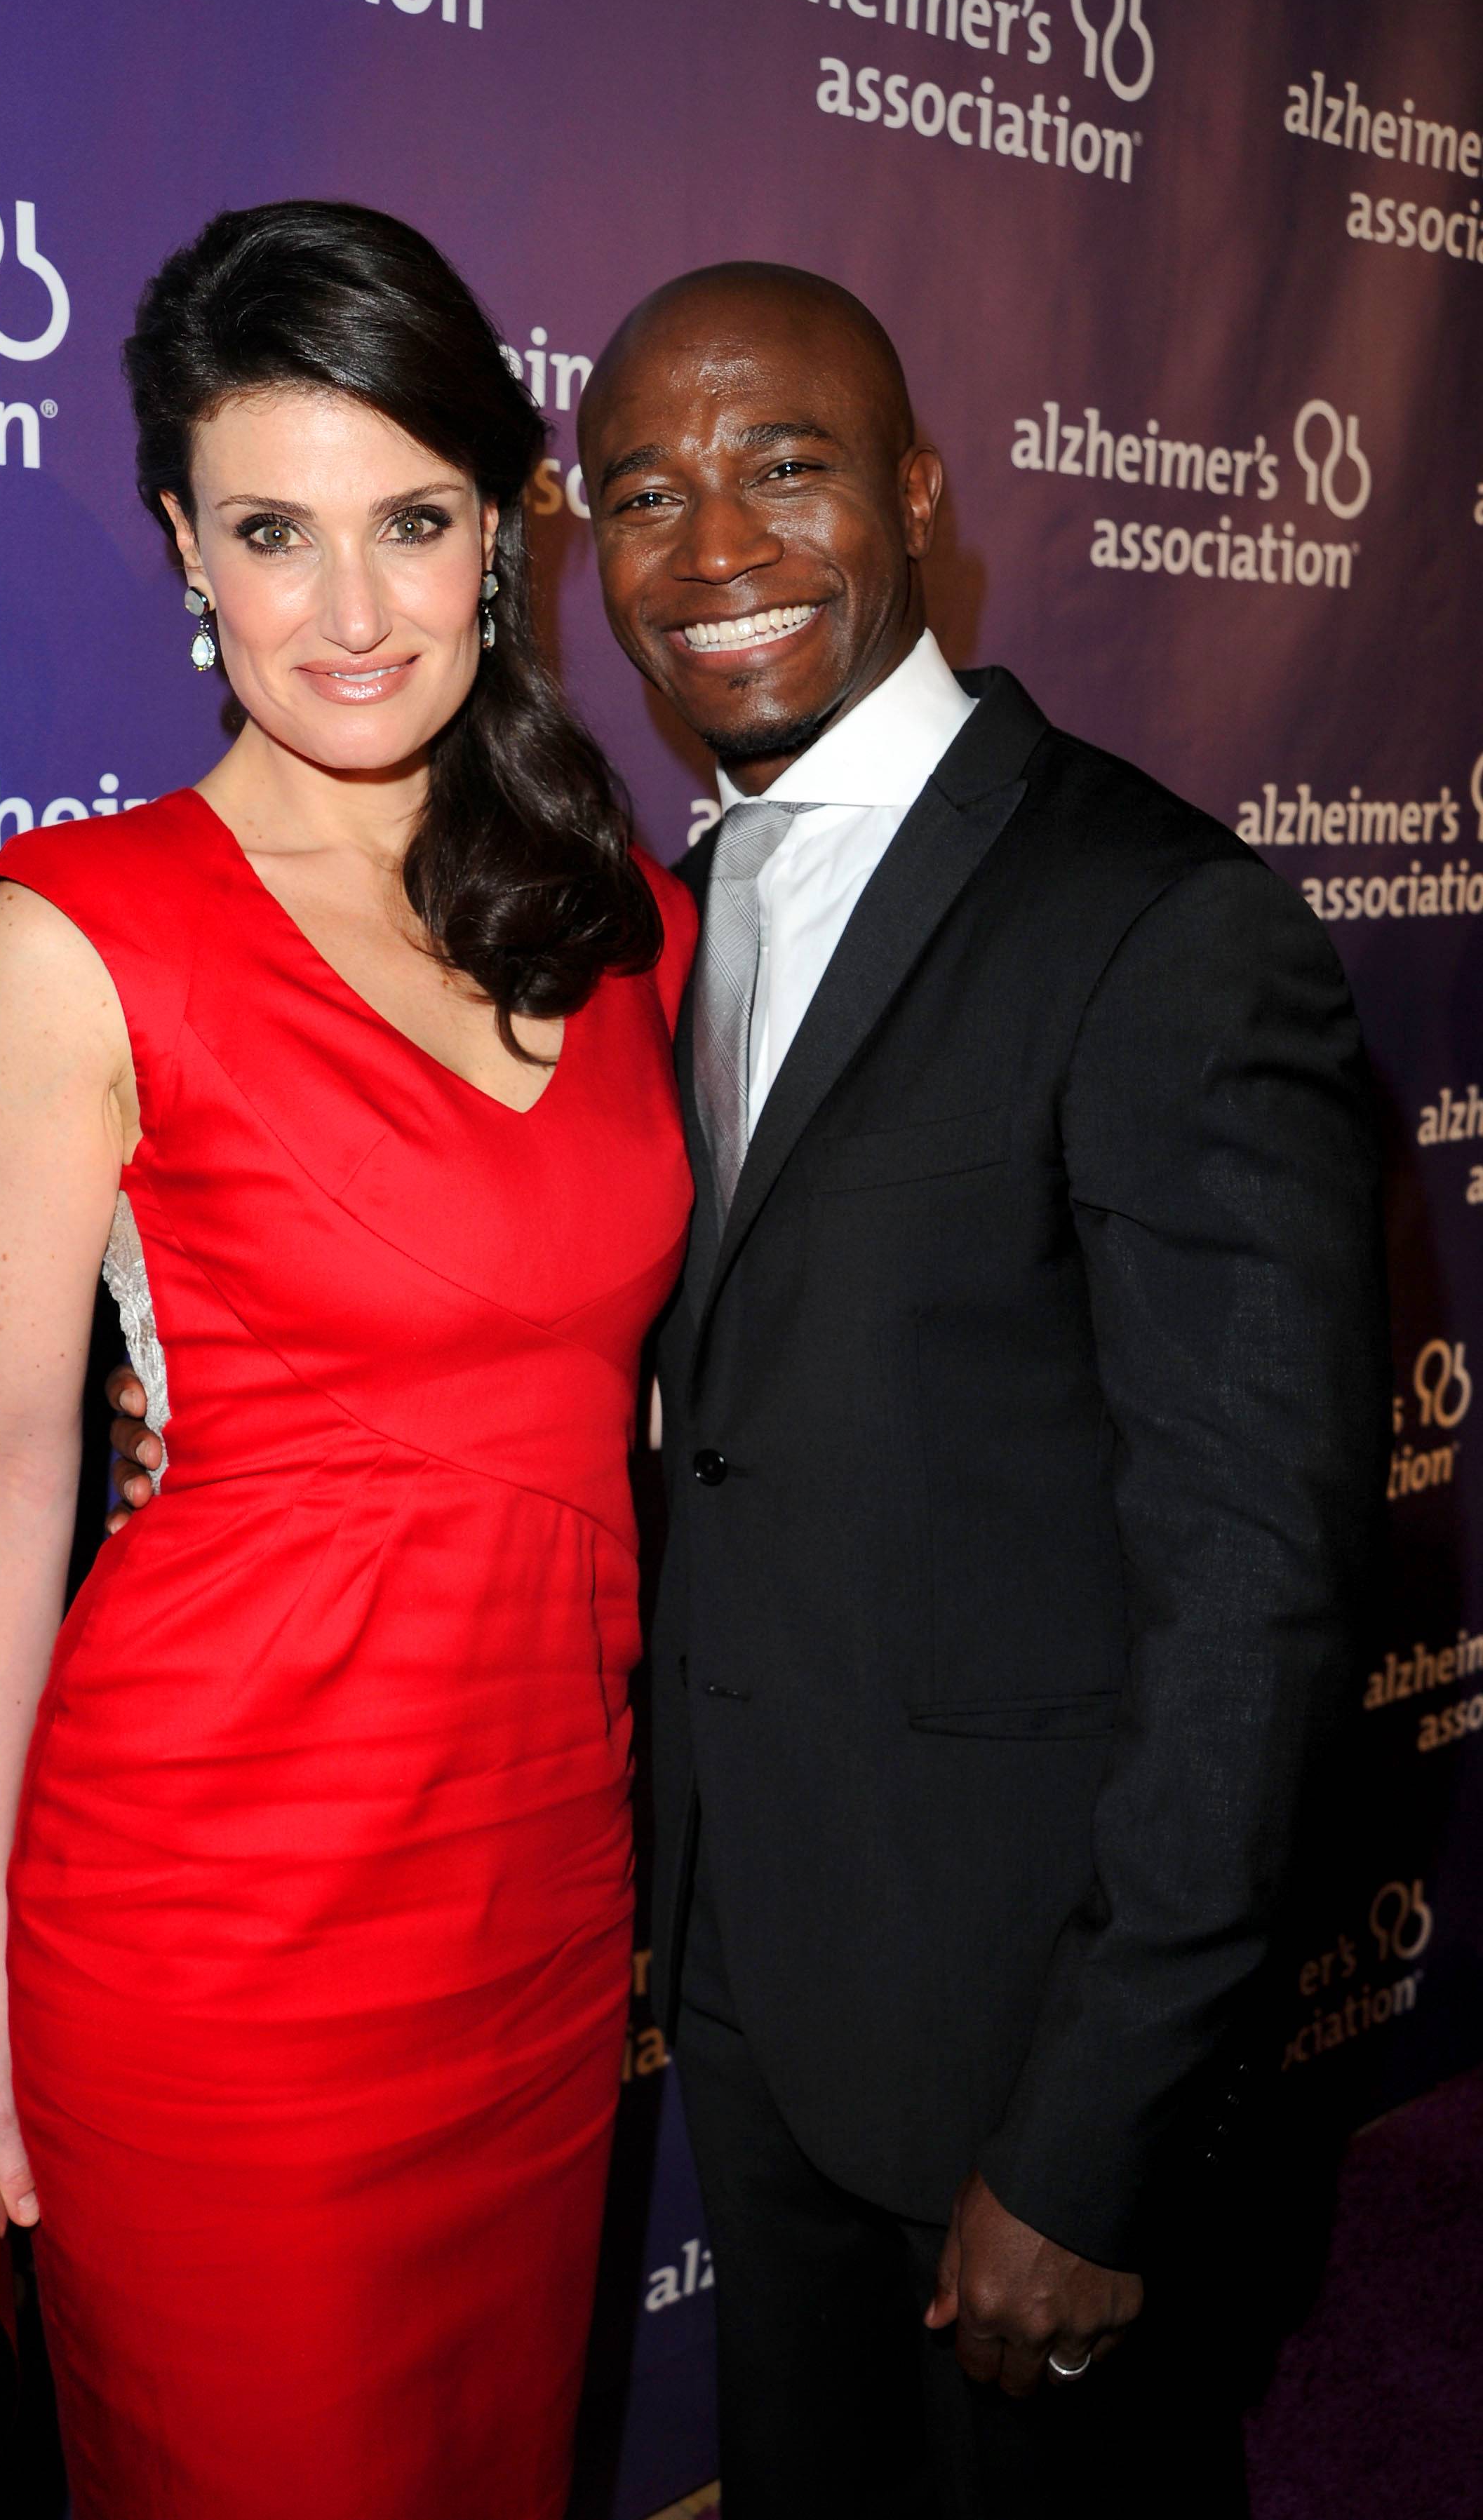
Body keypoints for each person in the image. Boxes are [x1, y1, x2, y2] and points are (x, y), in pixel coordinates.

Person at [115, 260, 1388, 2515]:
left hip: (1019, 2051)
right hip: (747, 1990)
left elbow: (1262, 1594)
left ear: (916, 495)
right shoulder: (648, 920)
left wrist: (1096, 2136)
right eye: (641, 495)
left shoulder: (1158, 922)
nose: (711, 550)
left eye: (785, 468)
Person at [0, 201, 697, 2520]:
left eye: (412, 522)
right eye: (272, 531)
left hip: (537, 1913)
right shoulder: (78, 933)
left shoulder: (624, 921)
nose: (350, 611)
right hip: (222, 1941)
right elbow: (3, 1465)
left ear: (500, 530)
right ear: (181, 550)